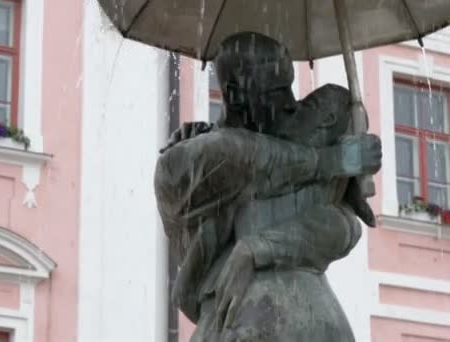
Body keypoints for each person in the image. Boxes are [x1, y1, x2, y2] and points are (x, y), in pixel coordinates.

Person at [155, 32, 382, 341]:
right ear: (235, 93)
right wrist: (330, 161)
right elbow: (241, 154)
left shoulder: (293, 148)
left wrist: (259, 248)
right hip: (239, 323)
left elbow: (344, 228)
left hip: (315, 320)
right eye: (277, 90)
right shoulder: (184, 161)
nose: (290, 103)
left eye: (290, 87)